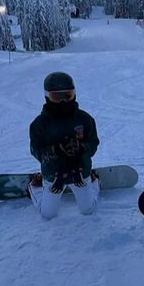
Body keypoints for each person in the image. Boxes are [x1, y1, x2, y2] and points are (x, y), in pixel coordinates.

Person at [29, 72, 100, 219]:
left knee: (87, 210)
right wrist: (53, 151)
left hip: (80, 173)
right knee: (48, 214)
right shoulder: (40, 124)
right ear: (47, 96)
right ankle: (35, 187)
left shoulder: (84, 119)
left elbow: (93, 143)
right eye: (57, 97)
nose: (63, 102)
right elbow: (35, 150)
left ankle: (94, 182)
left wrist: (82, 148)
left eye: (67, 96)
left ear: (74, 95)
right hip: (53, 176)